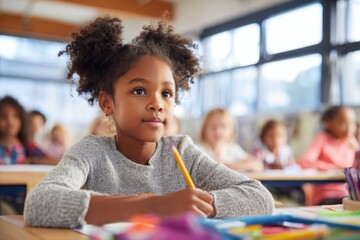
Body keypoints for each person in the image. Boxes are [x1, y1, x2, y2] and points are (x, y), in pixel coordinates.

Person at [24, 16, 274, 228]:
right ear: (107, 103)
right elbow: (39, 203)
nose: (157, 104)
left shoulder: (183, 151)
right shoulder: (92, 152)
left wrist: (199, 205)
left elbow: (260, 198)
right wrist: (156, 205)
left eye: (167, 94)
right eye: (140, 91)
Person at [298, 106, 357, 205]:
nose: (349, 127)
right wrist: (335, 168)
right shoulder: (322, 139)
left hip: (349, 195)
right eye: (343, 122)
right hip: (327, 195)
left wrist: (356, 148)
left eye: (352, 123)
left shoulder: (351, 143)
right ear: (329, 123)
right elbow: (304, 162)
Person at [198, 108, 263, 172]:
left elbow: (257, 165)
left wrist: (227, 166)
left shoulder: (232, 149)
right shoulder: (198, 149)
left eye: (223, 126)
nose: (218, 131)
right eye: (213, 127)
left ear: (231, 130)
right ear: (204, 129)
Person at [0, 96, 28, 165]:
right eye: (3, 116)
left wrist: (32, 161)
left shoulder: (29, 146)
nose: (10, 121)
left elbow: (55, 161)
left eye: (15, 116)